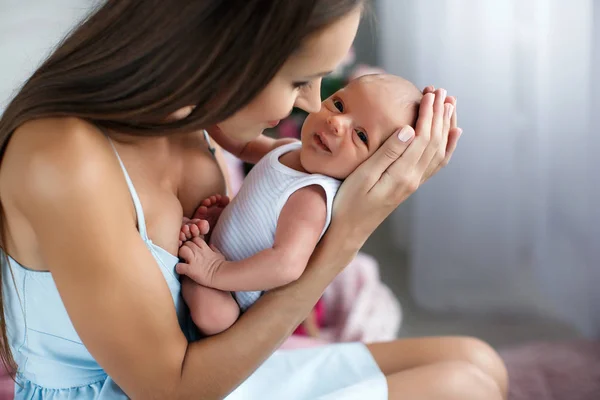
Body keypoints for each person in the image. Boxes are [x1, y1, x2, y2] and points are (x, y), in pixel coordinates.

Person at [0, 1, 508, 399]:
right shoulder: (64, 160)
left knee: (479, 360)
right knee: (463, 389)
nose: (312, 104)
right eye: (300, 81)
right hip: (170, 390)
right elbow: (170, 391)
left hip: (215, 374)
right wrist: (347, 236)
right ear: (226, 51)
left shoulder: (192, 120)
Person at [177, 74, 423, 336]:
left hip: (235, 292)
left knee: (214, 316)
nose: (336, 122)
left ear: (373, 168)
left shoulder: (311, 197)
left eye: (361, 136)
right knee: (202, 219)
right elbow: (244, 144)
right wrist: (203, 115)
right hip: (222, 252)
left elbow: (286, 264)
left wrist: (217, 272)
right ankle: (203, 244)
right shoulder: (290, 149)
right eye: (339, 105)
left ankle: (195, 265)